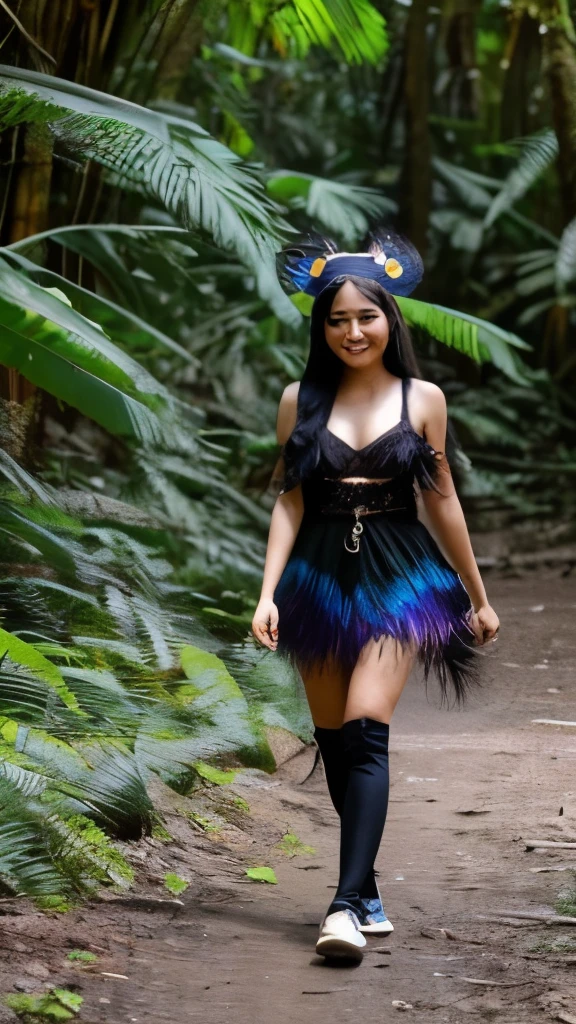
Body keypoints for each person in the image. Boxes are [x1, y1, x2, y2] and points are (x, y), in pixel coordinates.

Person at [251, 232, 500, 962]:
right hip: (318, 578)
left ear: (391, 319)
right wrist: (267, 594)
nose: (353, 331)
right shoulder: (299, 399)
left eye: (367, 317)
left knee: (363, 727)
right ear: (320, 328)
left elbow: (443, 501)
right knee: (333, 739)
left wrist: (477, 597)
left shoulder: (422, 398)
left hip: (398, 573)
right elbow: (290, 501)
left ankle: (341, 908)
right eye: (337, 320)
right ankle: (365, 887)